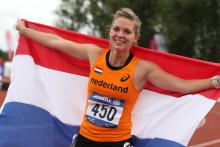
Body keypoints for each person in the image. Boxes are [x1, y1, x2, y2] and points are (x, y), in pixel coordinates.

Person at [16, 8, 219, 147]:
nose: (120, 35)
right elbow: (56, 42)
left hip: (118, 142)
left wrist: (214, 82)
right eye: (116, 29)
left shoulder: (142, 69)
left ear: (135, 38)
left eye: (127, 31)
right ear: (109, 32)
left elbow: (181, 86)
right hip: (86, 139)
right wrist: (26, 31)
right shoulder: (94, 55)